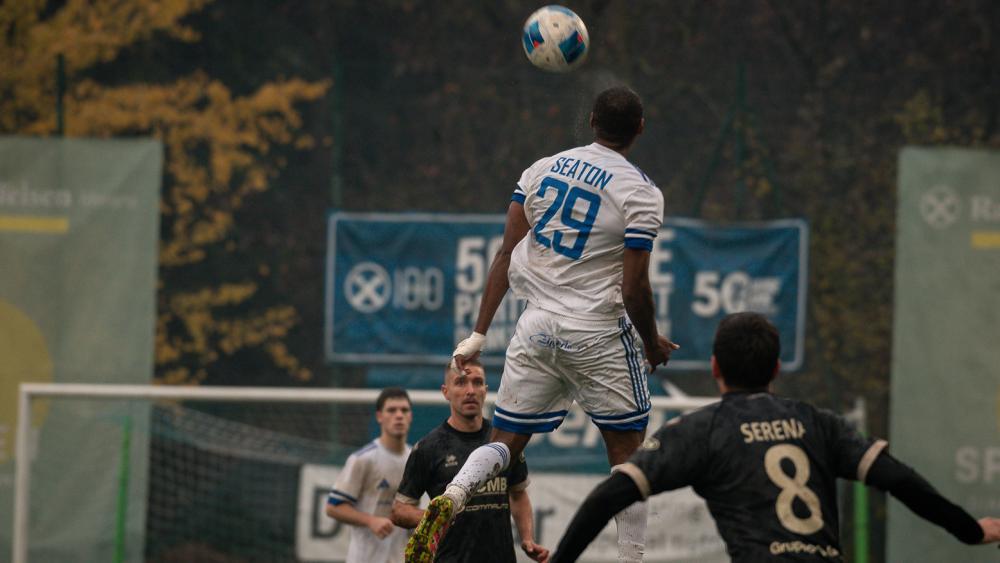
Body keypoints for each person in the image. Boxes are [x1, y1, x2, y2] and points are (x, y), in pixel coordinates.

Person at [406, 86, 678, 563]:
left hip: (535, 327)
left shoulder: (543, 168)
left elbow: (506, 253)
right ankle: (630, 559)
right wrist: (651, 343)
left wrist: (478, 334)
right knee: (628, 453)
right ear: (640, 128)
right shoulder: (640, 192)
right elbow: (635, 287)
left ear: (591, 120)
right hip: (596, 332)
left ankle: (454, 494)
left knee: (505, 444)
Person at [550, 312, 1000, 562]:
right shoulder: (818, 423)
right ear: (777, 369)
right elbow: (899, 479)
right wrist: (969, 529)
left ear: (715, 368)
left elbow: (608, 496)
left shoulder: (702, 430)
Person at [391, 359, 550, 562]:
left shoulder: (505, 440)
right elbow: (399, 510)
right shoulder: (428, 447)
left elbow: (518, 494)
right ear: (446, 391)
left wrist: (527, 538)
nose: (470, 391)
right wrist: (433, 518)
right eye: (460, 382)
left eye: (477, 382)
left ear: (485, 390)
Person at [326, 387, 414, 563]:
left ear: (410, 416)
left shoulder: (416, 459)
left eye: (404, 410)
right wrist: (370, 521)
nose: (399, 415)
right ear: (379, 416)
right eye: (391, 410)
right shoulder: (363, 459)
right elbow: (333, 507)